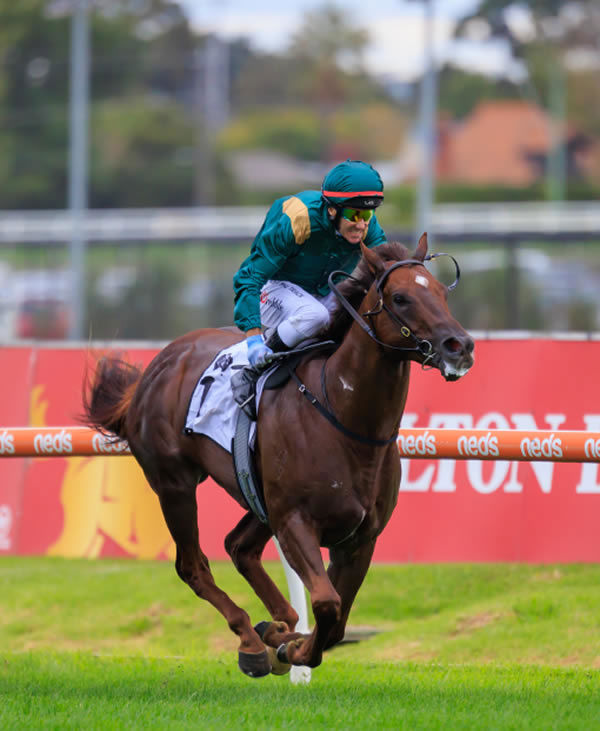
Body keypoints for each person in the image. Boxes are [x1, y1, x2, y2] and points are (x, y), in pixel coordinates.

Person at [231, 159, 387, 415]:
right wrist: (253, 340)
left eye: (367, 215)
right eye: (354, 215)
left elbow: (384, 268)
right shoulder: (298, 219)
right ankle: (252, 372)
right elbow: (249, 277)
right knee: (315, 315)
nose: (361, 225)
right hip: (273, 289)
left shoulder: (367, 224)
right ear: (332, 210)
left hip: (321, 293)